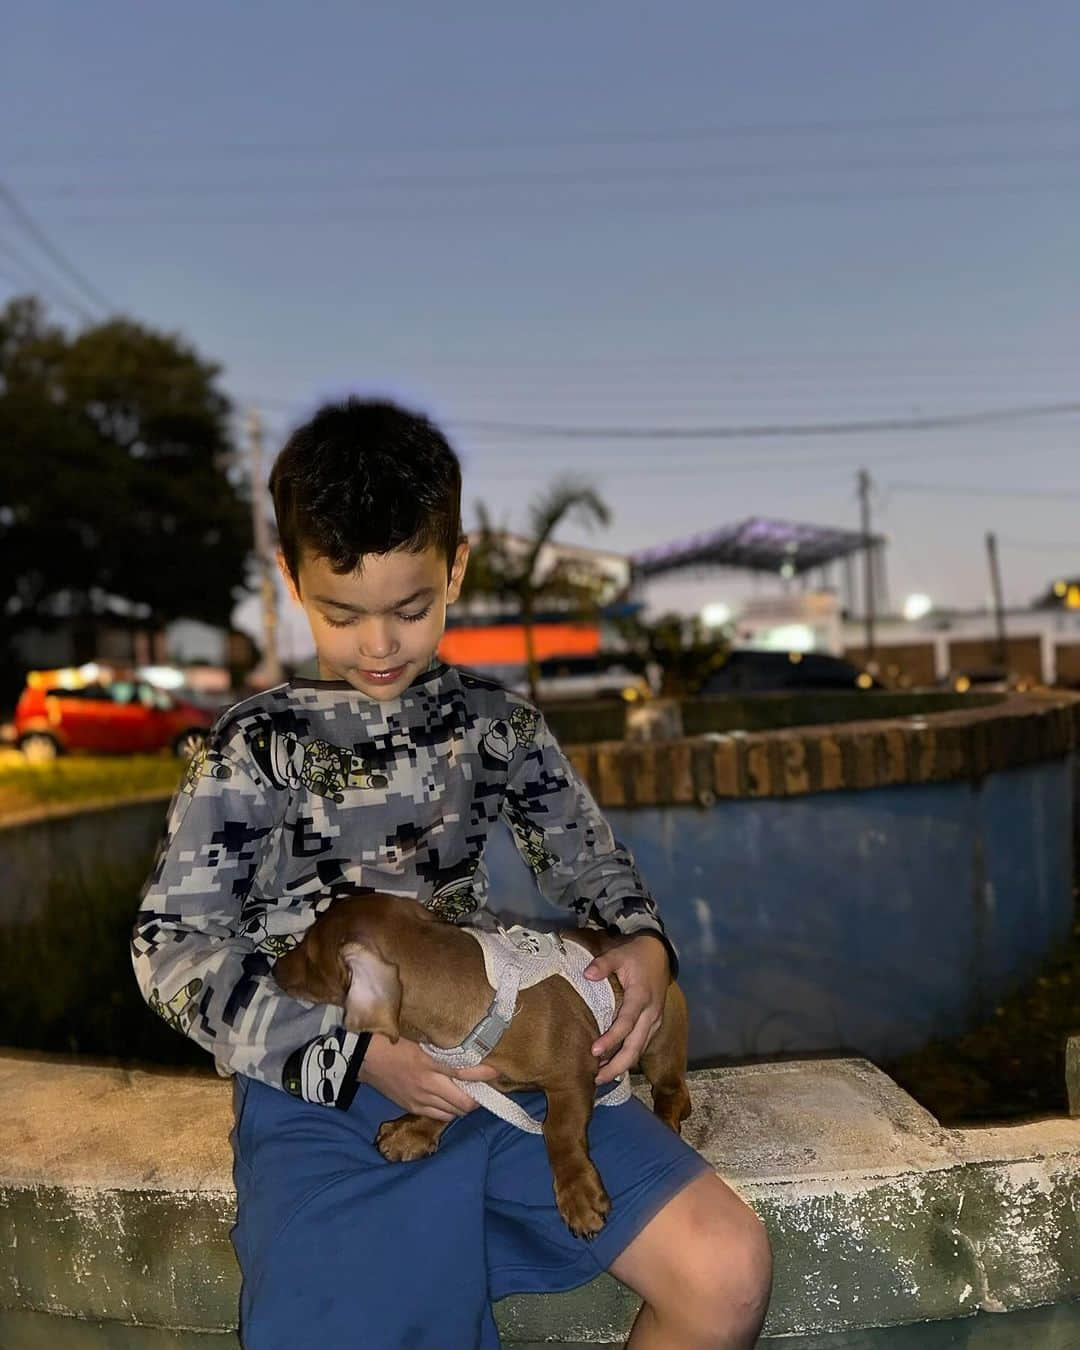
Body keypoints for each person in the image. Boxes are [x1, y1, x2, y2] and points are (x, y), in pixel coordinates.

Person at [131, 397, 772, 1349]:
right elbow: (169, 948)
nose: (379, 645)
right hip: (326, 1091)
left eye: (411, 607)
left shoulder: (496, 724)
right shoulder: (253, 745)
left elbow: (589, 861)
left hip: (501, 1064)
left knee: (726, 1270)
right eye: (341, 613)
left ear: (457, 569)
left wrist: (643, 945)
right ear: (289, 579)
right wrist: (351, 1053)